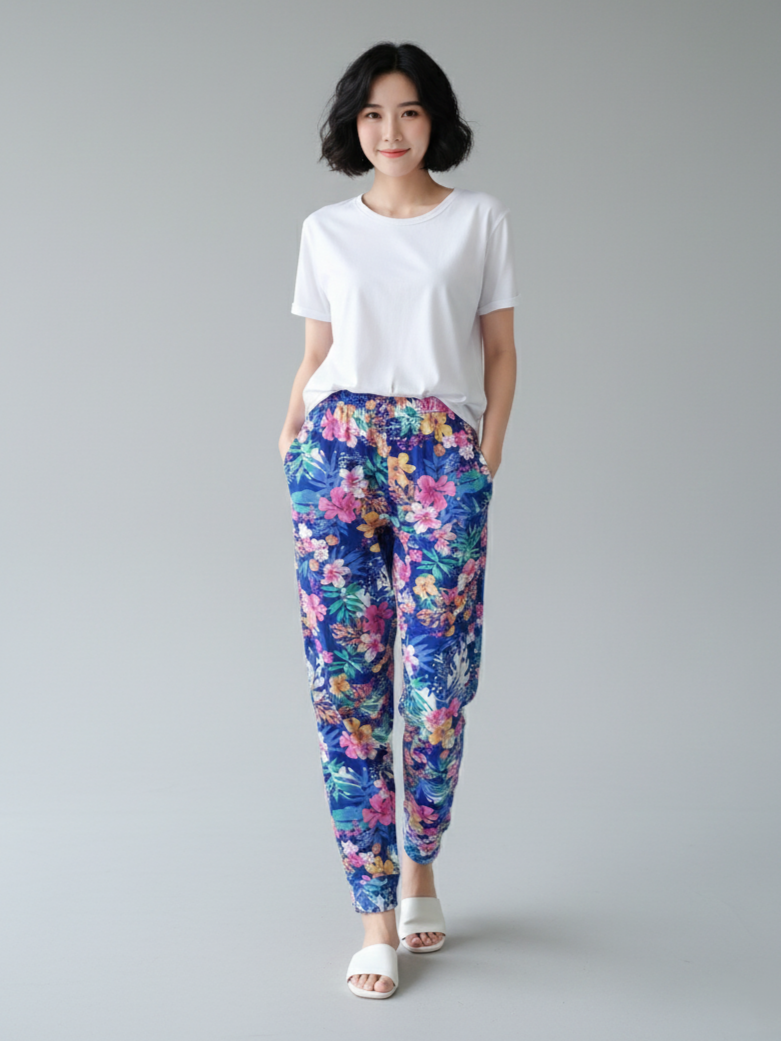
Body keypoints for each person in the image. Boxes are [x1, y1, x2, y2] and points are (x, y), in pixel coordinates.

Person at [278, 40, 518, 999]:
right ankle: (373, 913)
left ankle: (422, 863)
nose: (391, 131)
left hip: (437, 455)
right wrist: (289, 438)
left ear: (434, 121)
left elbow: (500, 352)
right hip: (335, 453)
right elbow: (316, 352)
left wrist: (483, 460)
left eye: (409, 111)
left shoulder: (479, 220)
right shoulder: (325, 229)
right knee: (344, 688)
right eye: (373, 113)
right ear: (354, 124)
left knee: (434, 683)